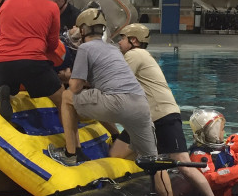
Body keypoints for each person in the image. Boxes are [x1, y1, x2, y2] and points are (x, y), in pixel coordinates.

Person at [109, 23, 223, 196]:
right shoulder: (141, 56)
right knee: (118, 155)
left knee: (183, 164)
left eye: (122, 38)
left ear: (134, 40)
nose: (119, 42)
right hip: (147, 118)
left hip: (160, 116)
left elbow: (115, 81)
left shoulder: (134, 55)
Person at [47, 9, 157, 167]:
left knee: (66, 97)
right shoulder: (114, 49)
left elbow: (76, 87)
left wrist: (66, 78)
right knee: (154, 162)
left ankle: (71, 153)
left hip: (116, 103)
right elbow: (107, 79)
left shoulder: (85, 48)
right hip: (141, 106)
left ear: (83, 30)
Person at [0, 0, 63, 122]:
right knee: (63, 99)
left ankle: (2, 93)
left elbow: (3, 31)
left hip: (4, 60)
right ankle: (72, 145)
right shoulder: (51, 7)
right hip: (33, 60)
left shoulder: (6, 5)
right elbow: (53, 43)